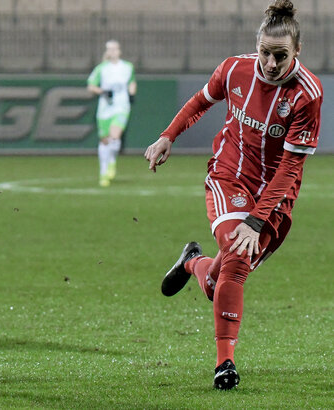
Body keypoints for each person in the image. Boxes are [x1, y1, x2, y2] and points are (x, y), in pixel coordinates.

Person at [144, 0, 321, 390]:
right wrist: (168, 136)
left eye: (280, 55)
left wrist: (258, 219)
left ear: (296, 52)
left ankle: (194, 263)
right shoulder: (234, 69)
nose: (271, 63)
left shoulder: (307, 94)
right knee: (238, 261)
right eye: (265, 53)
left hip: (275, 198)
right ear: (255, 46)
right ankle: (225, 364)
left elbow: (291, 168)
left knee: (220, 280)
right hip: (230, 179)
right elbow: (200, 101)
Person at [87, 40, 136, 187]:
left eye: (115, 49)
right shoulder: (101, 68)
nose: (112, 51)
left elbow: (132, 82)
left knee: (115, 137)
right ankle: (103, 172)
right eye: (109, 49)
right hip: (105, 108)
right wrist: (102, 91)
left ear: (119, 51)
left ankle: (112, 163)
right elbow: (91, 86)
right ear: (106, 52)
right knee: (105, 141)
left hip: (121, 106)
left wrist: (132, 93)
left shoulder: (127, 67)